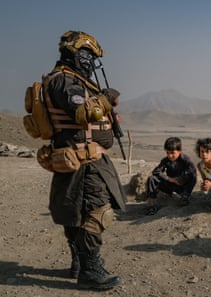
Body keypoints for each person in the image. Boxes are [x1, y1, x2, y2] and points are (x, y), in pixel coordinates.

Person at [44, 31, 126, 289]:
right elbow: (81, 112)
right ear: (76, 53)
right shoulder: (64, 81)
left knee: (75, 212)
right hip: (84, 161)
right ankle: (90, 270)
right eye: (88, 55)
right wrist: (104, 98)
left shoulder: (69, 80)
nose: (91, 62)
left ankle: (79, 263)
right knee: (96, 213)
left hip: (83, 158)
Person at [146, 137, 197, 215]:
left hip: (182, 186)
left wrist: (180, 179)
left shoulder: (185, 160)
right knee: (152, 179)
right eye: (167, 153)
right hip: (170, 184)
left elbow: (192, 172)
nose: (170, 155)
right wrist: (170, 179)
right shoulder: (166, 160)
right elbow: (156, 171)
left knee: (193, 176)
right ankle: (151, 205)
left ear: (179, 151)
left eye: (172, 153)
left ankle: (185, 196)